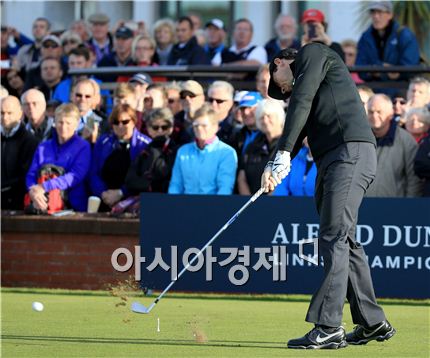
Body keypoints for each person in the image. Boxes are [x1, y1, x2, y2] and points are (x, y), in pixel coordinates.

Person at [263, 45, 395, 349]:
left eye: (282, 84)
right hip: (335, 160)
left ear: (280, 62)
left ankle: (329, 326)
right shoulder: (310, 89)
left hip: (350, 153)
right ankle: (372, 322)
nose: (287, 90)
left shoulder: (314, 54)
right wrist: (274, 165)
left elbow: (301, 100)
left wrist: (281, 154)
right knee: (345, 239)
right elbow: (297, 128)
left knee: (333, 236)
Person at [26, 103, 91, 212]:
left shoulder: (83, 146)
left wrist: (44, 186)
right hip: (42, 204)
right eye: (60, 122)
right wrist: (32, 190)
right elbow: (31, 174)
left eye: (68, 123)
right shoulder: (43, 146)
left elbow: (75, 176)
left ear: (77, 124)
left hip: (73, 206)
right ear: (54, 122)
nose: (63, 127)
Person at [90, 104, 151, 211]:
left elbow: (144, 177)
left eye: (125, 122)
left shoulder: (145, 144)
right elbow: (93, 172)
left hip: (132, 200)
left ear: (133, 122)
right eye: (116, 122)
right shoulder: (103, 142)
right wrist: (102, 193)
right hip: (104, 198)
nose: (120, 126)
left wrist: (121, 193)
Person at [169, 104, 237, 195]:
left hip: (214, 206)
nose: (199, 129)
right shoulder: (183, 151)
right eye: (196, 125)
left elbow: (225, 187)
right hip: (185, 205)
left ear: (215, 127)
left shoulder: (227, 152)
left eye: (204, 125)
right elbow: (176, 185)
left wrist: (218, 207)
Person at [365, 94, 423, 197]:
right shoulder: (358, 139)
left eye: (379, 112)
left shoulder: (406, 141)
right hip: (360, 208)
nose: (374, 116)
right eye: (371, 112)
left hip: (394, 208)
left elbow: (414, 179)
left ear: (391, 114)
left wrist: (409, 207)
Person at [356, 1, 420, 84]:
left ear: (390, 15)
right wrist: (384, 69)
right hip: (373, 89)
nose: (376, 16)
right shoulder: (365, 37)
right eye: (373, 12)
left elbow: (410, 67)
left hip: (400, 88)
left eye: (380, 12)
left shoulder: (405, 35)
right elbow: (360, 67)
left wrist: (377, 70)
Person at [237, 98, 284, 195]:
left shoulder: (288, 145)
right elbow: (242, 178)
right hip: (252, 203)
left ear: (279, 117)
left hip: (279, 202)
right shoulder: (252, 146)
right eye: (261, 117)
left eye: (269, 116)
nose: (265, 120)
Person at [125, 108, 178, 194]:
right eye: (155, 127)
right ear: (149, 130)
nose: (160, 131)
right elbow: (130, 180)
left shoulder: (177, 151)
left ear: (171, 128)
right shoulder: (144, 151)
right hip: (147, 200)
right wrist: (149, 185)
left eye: (164, 127)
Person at [1, 96, 39, 210]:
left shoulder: (29, 140)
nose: (5, 117)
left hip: (18, 204)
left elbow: (26, 176)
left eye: (9, 113)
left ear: (20, 114)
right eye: (1, 113)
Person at [173, 80, 206, 145]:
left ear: (202, 98)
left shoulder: (211, 118)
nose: (187, 99)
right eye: (183, 97)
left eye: (191, 96)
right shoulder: (175, 120)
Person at [207, 80, 238, 145]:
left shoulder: (237, 128)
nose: (213, 104)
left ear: (230, 103)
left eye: (219, 101)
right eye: (211, 100)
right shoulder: (198, 124)